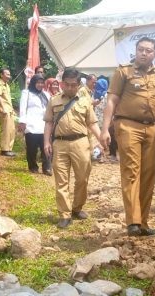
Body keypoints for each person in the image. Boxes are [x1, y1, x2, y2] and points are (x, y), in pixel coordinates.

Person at [100, 37, 155, 236]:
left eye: (148, 50)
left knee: (148, 175)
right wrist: (105, 129)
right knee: (131, 171)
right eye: (140, 49)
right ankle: (133, 222)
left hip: (152, 129)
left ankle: (144, 223)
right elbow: (111, 101)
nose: (144, 53)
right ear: (136, 51)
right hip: (128, 125)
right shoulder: (123, 72)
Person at [43, 68, 102, 229]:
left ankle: (77, 207)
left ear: (78, 84)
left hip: (81, 143)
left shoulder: (85, 101)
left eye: (73, 85)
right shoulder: (54, 101)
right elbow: (48, 122)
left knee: (82, 178)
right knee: (61, 180)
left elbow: (92, 123)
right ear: (62, 84)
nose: (69, 88)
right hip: (60, 144)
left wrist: (101, 138)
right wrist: (46, 142)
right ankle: (64, 214)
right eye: (67, 85)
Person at [18, 75, 51, 175]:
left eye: (42, 83)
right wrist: (22, 121)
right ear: (33, 83)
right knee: (31, 148)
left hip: (44, 125)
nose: (40, 85)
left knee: (46, 147)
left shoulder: (46, 94)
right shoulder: (26, 93)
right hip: (31, 124)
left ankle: (47, 167)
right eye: (38, 82)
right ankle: (33, 166)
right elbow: (23, 107)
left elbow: (50, 109)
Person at [0, 67, 17, 157]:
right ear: (1, 75)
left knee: (12, 130)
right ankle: (4, 149)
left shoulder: (7, 85)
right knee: (6, 130)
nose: (9, 76)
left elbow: (8, 99)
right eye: (7, 74)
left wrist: (12, 109)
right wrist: (3, 107)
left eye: (9, 74)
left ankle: (9, 149)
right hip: (4, 111)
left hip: (9, 110)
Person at [93, 78, 109, 163]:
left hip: (101, 120)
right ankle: (101, 155)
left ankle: (102, 155)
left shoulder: (104, 94)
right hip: (99, 120)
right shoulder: (99, 94)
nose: (96, 86)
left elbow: (105, 107)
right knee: (99, 138)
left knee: (101, 138)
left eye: (98, 85)